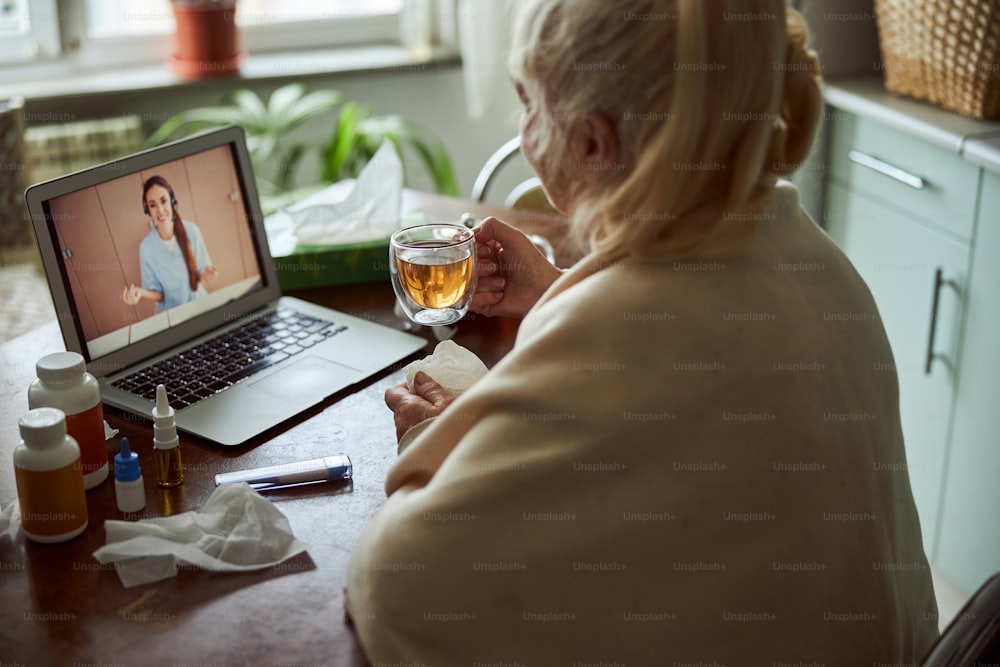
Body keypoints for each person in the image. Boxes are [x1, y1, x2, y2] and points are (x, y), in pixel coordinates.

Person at [345, 1, 940, 664]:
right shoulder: (809, 253)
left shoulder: (622, 329)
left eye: (527, 102)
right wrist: (556, 288)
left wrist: (436, 445)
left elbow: (403, 590)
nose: (523, 127)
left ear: (593, 142)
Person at [122, 175, 217, 312]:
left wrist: (208, 275)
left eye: (164, 201)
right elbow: (159, 295)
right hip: (169, 313)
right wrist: (140, 292)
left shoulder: (192, 231)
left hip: (197, 303)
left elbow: (201, 275)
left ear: (172, 202)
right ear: (147, 211)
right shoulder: (146, 248)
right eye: (153, 205)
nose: (160, 210)